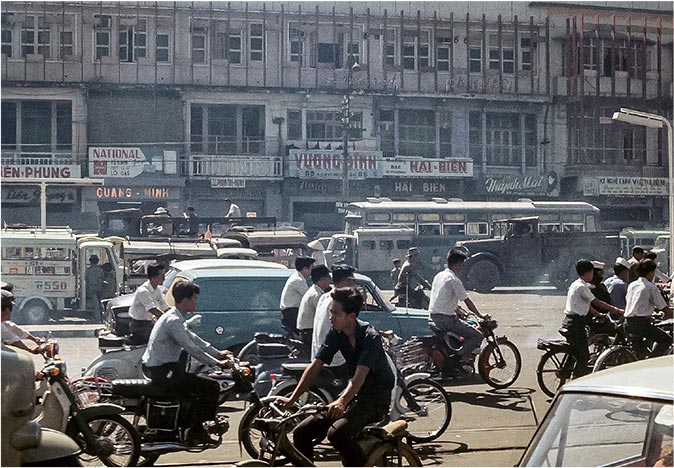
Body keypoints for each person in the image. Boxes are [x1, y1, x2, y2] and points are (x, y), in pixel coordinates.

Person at [278, 286, 395, 467]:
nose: (330, 317)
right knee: (301, 432)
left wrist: (341, 401)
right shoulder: (336, 334)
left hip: (375, 399)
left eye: (335, 313)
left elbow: (359, 376)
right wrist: (292, 399)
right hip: (355, 396)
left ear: (352, 316)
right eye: (330, 312)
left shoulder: (370, 337)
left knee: (336, 433)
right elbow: (315, 366)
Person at [142, 280, 233, 446]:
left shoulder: (176, 317)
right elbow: (192, 349)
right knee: (211, 387)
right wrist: (218, 364)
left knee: (196, 386)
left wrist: (218, 353)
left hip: (166, 368)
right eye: (194, 298)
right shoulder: (173, 321)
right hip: (162, 371)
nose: (196, 302)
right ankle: (197, 431)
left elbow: (195, 340)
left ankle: (189, 426)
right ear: (185, 301)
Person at [428, 249, 489, 370]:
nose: (462, 267)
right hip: (446, 319)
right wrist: (480, 315)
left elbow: (443, 298)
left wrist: (457, 310)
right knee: (477, 336)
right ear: (456, 264)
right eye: (462, 264)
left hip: (433, 317)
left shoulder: (439, 276)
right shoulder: (454, 280)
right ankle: (458, 358)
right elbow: (467, 301)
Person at [562, 259, 623, 378]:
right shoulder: (582, 287)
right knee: (584, 355)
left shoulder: (576, 284)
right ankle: (577, 379)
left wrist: (597, 314)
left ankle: (565, 373)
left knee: (575, 351)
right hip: (576, 324)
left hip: (570, 321)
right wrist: (617, 310)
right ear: (589, 272)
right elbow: (597, 302)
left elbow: (587, 305)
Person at [311, 264, 357, 372]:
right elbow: (352, 328)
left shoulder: (324, 297)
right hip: (335, 359)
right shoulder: (341, 301)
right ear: (348, 281)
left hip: (318, 354)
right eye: (353, 280)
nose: (354, 284)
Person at [623, 259, 673, 357]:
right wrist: (668, 313)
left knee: (639, 352)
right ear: (650, 273)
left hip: (628, 322)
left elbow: (636, 306)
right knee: (666, 339)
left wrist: (648, 315)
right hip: (640, 324)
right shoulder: (650, 287)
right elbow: (664, 308)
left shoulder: (632, 285)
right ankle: (652, 360)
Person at [129, 263, 170, 345]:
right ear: (154, 277)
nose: (164, 278)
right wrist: (166, 319)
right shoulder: (143, 291)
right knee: (159, 340)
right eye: (162, 276)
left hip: (149, 323)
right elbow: (153, 309)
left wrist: (176, 314)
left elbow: (164, 306)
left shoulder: (157, 290)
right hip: (139, 326)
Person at [296, 265, 332, 347]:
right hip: (309, 331)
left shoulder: (315, 290)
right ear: (322, 279)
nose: (330, 280)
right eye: (328, 277)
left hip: (308, 330)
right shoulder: (316, 295)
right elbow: (323, 315)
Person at [1, 290, 45, 354]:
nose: (11, 311)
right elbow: (13, 340)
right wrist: (30, 350)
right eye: (10, 308)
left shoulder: (3, 323)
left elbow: (13, 328)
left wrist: (35, 339)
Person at [279, 257, 315, 335]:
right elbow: (309, 297)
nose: (311, 271)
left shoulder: (296, 277)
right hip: (292, 313)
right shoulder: (298, 280)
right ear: (305, 269)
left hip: (291, 312)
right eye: (311, 268)